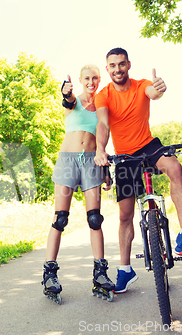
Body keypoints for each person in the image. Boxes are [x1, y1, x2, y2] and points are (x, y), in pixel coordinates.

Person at [94, 47, 182, 294]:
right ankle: (126, 270)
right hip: (125, 156)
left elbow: (154, 92)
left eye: (121, 64)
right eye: (113, 65)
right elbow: (104, 124)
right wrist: (100, 150)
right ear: (108, 69)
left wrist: (159, 89)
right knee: (125, 214)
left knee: (174, 166)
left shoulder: (142, 86)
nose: (117, 69)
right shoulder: (103, 95)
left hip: (148, 146)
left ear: (128, 65)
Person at [42, 64, 115, 303]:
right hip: (67, 161)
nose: (91, 82)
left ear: (99, 78)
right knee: (60, 218)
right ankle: (50, 274)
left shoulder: (104, 107)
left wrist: (106, 170)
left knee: (95, 218)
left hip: (92, 162)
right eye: (87, 78)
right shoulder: (74, 101)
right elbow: (68, 101)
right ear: (81, 80)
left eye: (95, 78)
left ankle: (100, 274)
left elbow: (104, 135)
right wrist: (66, 92)